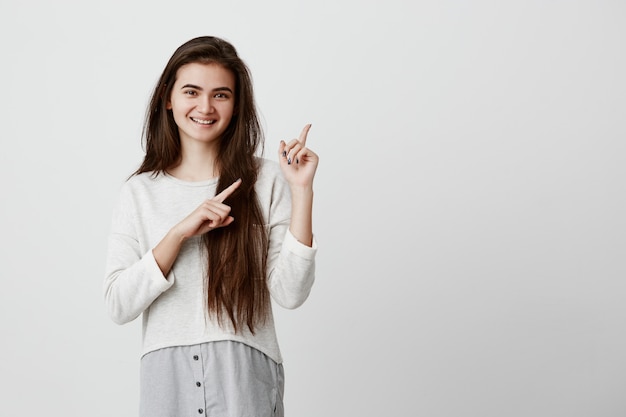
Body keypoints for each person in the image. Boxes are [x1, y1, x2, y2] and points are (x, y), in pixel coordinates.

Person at [103, 35, 318, 417]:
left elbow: (290, 293)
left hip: (244, 373)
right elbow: (118, 304)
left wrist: (301, 191)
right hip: (165, 377)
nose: (205, 106)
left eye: (221, 94)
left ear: (236, 106)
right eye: (192, 91)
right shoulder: (139, 192)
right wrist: (178, 234)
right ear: (168, 98)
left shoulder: (266, 179)